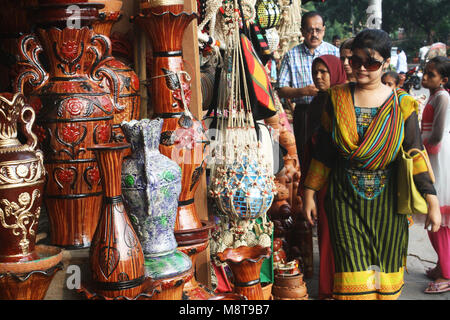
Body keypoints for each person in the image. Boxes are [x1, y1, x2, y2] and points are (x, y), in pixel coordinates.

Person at [302, 29, 441, 300]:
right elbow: (326, 152)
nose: (362, 68)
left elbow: (414, 153)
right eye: (356, 61)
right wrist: (309, 192)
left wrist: (432, 200)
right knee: (352, 280)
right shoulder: (336, 98)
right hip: (344, 199)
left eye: (372, 63)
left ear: (386, 63)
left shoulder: (403, 105)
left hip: (389, 202)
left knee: (385, 279)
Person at [298, 55, 347, 300]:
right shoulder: (316, 103)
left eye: (324, 72)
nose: (318, 76)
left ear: (336, 72)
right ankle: (328, 289)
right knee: (327, 235)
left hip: (340, 179)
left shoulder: (342, 102)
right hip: (320, 177)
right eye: (315, 71)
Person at [278, 11, 339, 171]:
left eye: (318, 30)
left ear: (324, 30)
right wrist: (302, 91)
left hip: (331, 109)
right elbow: (281, 90)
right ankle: (307, 192)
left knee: (331, 154)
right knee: (306, 155)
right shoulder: (291, 55)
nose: (314, 34)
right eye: (309, 30)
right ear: (302, 31)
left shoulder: (334, 53)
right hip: (304, 113)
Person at [420, 56, 450, 294]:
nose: (425, 77)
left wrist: (420, 149)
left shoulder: (442, 97)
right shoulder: (434, 96)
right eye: (425, 72)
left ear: (444, 79)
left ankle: (446, 274)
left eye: (431, 74)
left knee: (438, 219)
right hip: (432, 156)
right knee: (436, 219)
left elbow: (438, 136)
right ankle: (443, 263)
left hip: (437, 159)